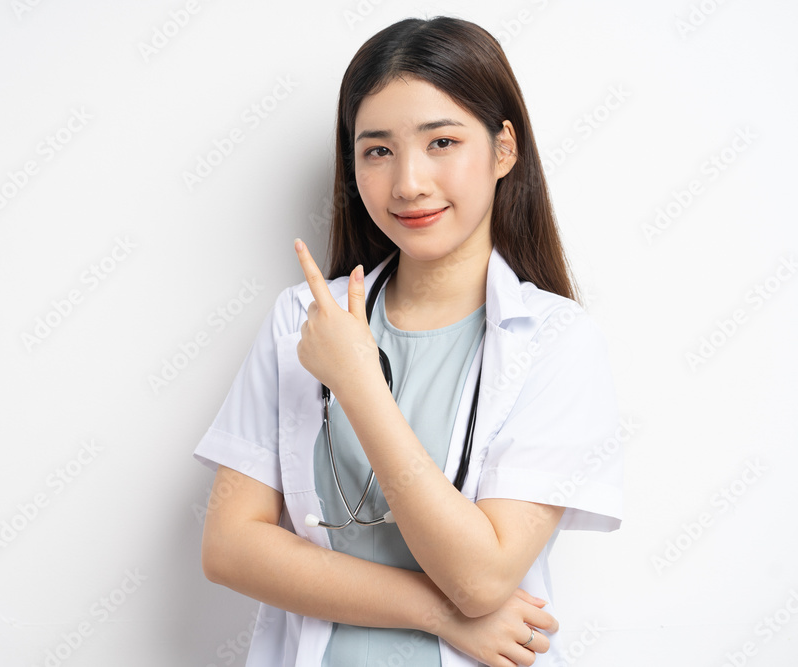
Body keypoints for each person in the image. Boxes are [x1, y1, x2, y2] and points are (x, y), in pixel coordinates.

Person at [194, 16, 622, 667]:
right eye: (378, 150)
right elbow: (230, 546)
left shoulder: (558, 342)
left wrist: (360, 384)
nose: (409, 183)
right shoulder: (300, 321)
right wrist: (438, 612)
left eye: (441, 142)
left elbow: (481, 575)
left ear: (504, 148)